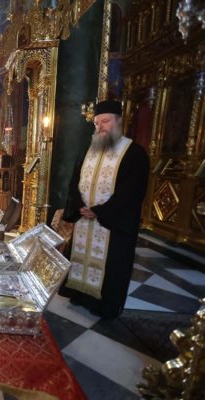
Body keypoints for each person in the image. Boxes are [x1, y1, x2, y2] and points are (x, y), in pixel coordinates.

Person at [61, 100, 149, 319]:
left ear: (119, 122)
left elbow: (132, 192)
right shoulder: (88, 152)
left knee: (112, 267)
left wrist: (101, 211)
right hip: (85, 221)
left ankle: (104, 306)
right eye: (96, 123)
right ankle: (80, 295)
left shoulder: (134, 153)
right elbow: (74, 183)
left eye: (105, 121)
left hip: (112, 225)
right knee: (79, 259)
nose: (100, 127)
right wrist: (79, 206)